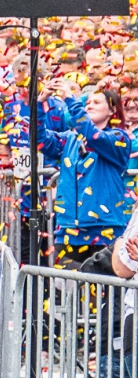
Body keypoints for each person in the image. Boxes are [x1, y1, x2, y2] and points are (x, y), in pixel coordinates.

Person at [37, 87, 132, 267]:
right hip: (68, 231)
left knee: (104, 292)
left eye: (96, 103)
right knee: (64, 291)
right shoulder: (71, 138)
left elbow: (93, 136)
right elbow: (41, 140)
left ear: (112, 111)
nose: (89, 107)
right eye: (87, 103)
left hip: (105, 230)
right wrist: (40, 105)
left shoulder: (119, 138)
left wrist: (72, 102)